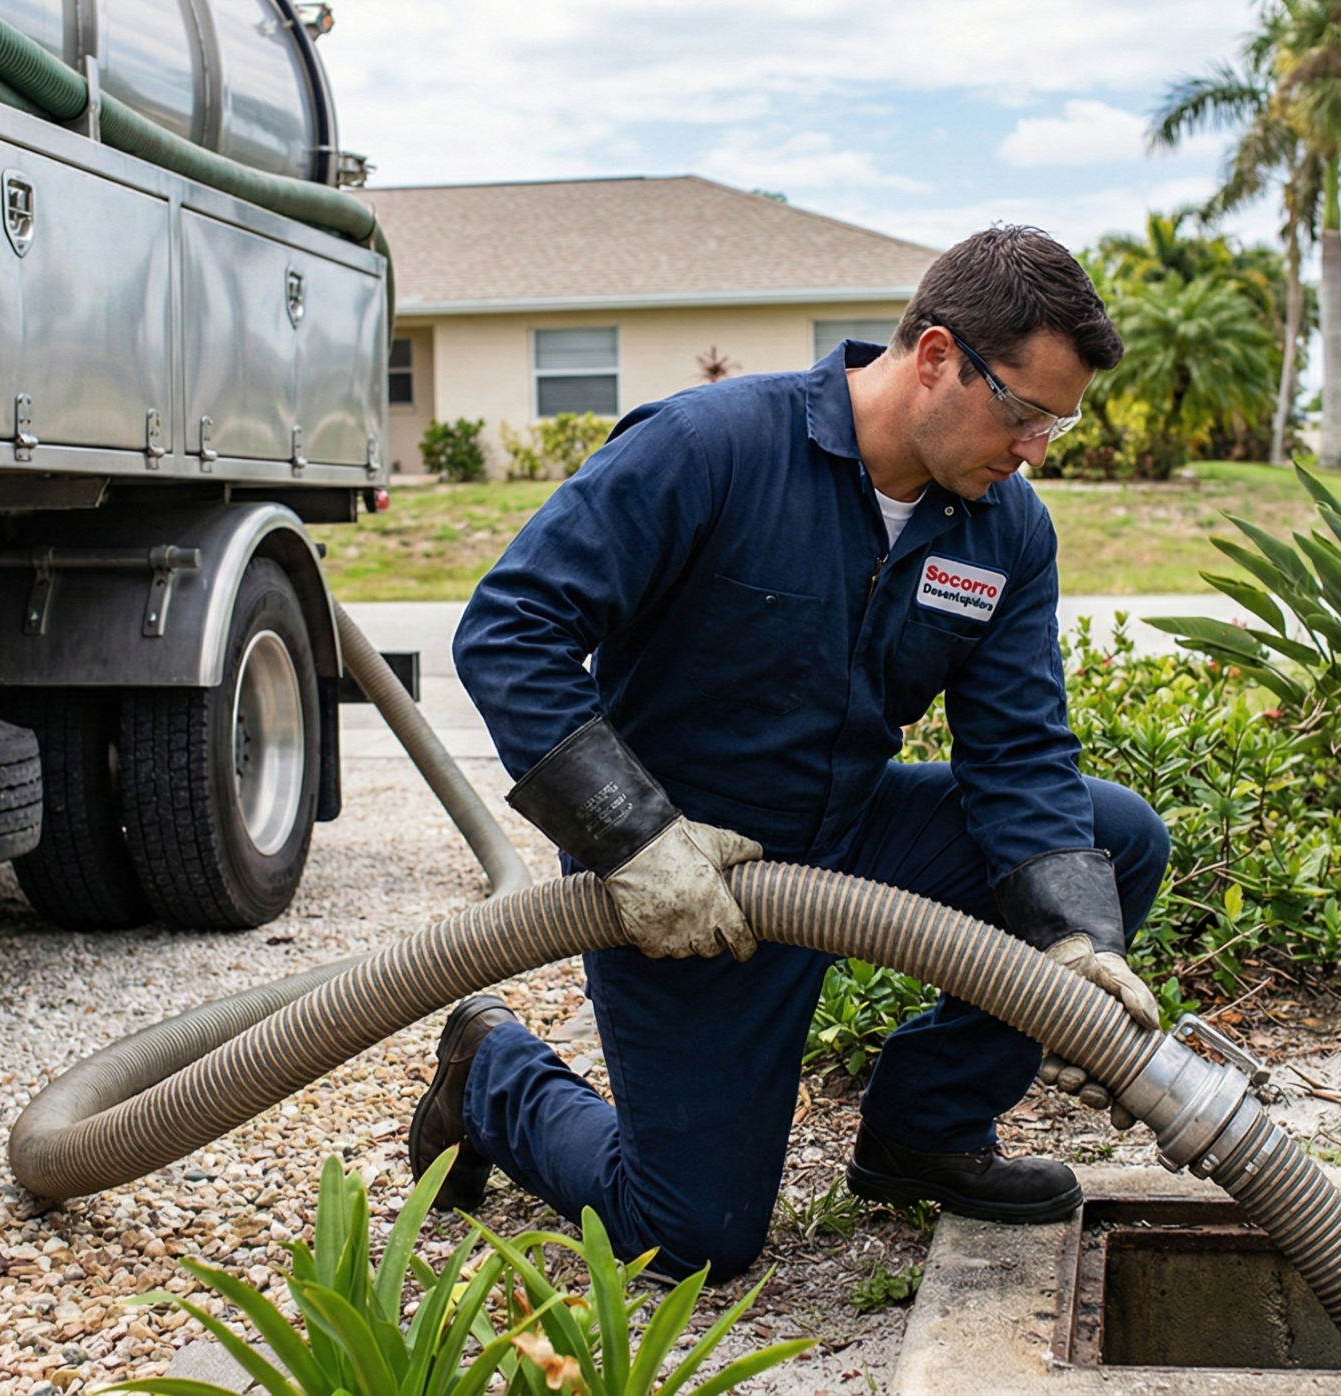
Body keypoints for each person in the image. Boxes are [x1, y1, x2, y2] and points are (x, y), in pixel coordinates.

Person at [410, 226, 1170, 1281]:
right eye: (1025, 411)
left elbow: (1021, 748)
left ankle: (924, 1130)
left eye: (1057, 422)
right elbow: (511, 630)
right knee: (689, 1237)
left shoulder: (1003, 529)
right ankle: (490, 1069)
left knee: (1112, 839)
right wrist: (635, 839)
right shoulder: (710, 449)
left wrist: (1076, 944)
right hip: (687, 871)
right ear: (937, 356)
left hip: (848, 833)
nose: (1036, 448)